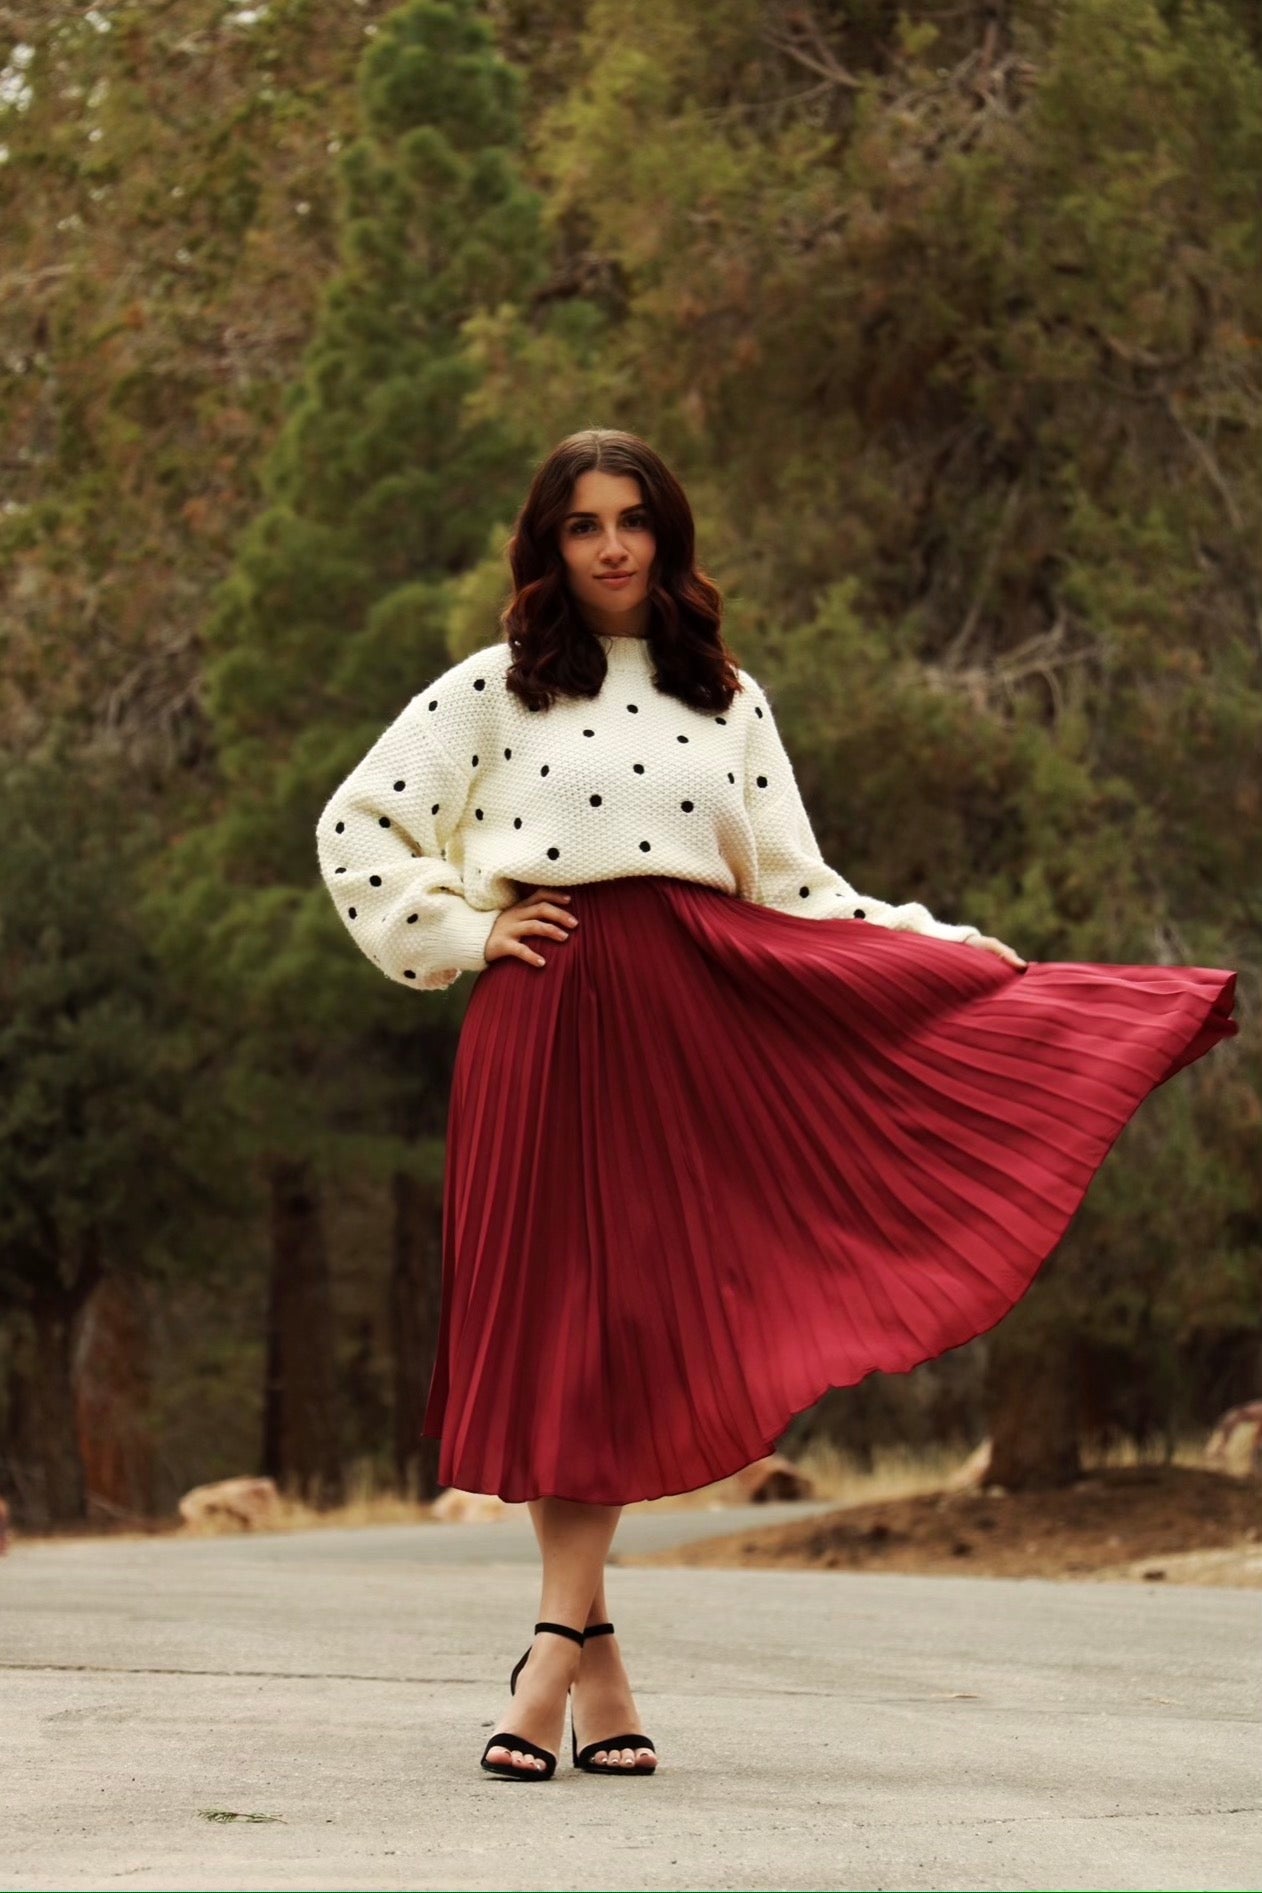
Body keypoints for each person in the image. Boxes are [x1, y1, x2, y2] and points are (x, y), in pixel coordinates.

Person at [316, 428, 1238, 1783]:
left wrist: (943, 951)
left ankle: (554, 1655)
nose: (613, 545)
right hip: (546, 1019)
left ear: (668, 538)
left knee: (627, 1327)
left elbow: (798, 886)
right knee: (567, 1331)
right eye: (584, 525)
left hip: (693, 1016)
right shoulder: (488, 692)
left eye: (633, 520)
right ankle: (583, 1656)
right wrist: (463, 932)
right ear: (547, 545)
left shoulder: (726, 697)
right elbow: (358, 826)